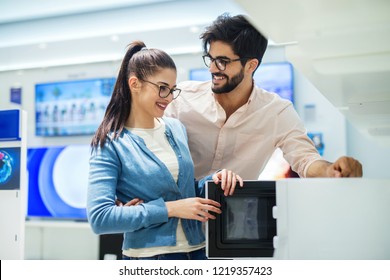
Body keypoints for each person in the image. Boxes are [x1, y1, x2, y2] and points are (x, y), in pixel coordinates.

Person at [87, 41, 244, 260]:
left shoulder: (175, 128)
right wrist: (170, 209)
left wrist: (214, 180)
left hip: (197, 252)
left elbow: (186, 192)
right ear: (135, 84)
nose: (169, 97)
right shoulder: (111, 143)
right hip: (149, 258)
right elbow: (100, 218)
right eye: (162, 88)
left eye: (172, 90)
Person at [165, 14, 363, 179]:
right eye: (211, 59)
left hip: (234, 217)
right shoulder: (183, 98)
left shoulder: (276, 111)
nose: (212, 68)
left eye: (223, 61)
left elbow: (305, 159)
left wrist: (331, 170)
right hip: (179, 214)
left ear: (251, 65)